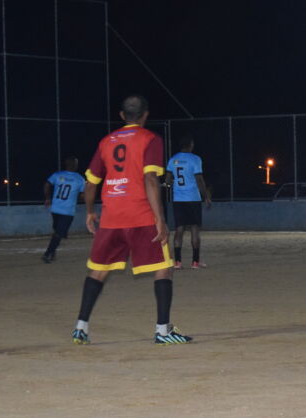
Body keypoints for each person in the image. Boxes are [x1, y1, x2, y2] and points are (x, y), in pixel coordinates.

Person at [73, 95, 191, 345]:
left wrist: (91, 212)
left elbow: (91, 182)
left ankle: (81, 326)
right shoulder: (151, 139)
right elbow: (150, 180)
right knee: (164, 267)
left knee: (98, 270)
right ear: (146, 114)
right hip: (140, 215)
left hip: (112, 216)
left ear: (122, 115)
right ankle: (162, 330)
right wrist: (159, 218)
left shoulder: (106, 141)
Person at [165, 134, 211, 269]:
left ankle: (177, 262)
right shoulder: (195, 159)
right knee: (195, 229)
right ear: (191, 145)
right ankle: (195, 262)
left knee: (179, 230)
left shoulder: (173, 160)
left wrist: (173, 184)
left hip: (178, 199)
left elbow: (168, 181)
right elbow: (199, 179)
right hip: (193, 198)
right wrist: (206, 196)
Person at [42, 156, 86, 263]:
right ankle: (48, 253)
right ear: (75, 165)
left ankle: (51, 252)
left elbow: (47, 184)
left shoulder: (58, 175)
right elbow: (83, 195)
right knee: (59, 233)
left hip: (55, 209)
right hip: (67, 211)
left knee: (57, 232)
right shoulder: (79, 179)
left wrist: (48, 198)